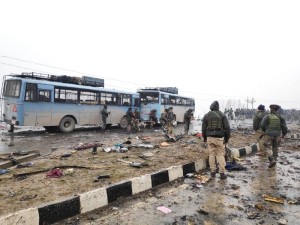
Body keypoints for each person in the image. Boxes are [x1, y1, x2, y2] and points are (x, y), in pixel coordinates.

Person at [202, 101, 231, 179]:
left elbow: (203, 128)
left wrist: (204, 138)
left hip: (209, 138)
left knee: (211, 154)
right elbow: (227, 128)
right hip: (219, 138)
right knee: (220, 154)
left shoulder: (206, 116)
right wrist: (227, 138)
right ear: (218, 107)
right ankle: (222, 173)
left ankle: (212, 172)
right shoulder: (222, 115)